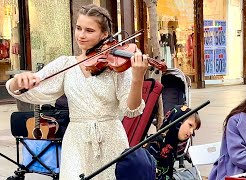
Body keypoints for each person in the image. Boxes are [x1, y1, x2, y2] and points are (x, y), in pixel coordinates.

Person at [5, 4, 148, 179]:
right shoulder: (65, 64)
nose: (81, 35)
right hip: (76, 141)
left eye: (89, 30)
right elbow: (32, 90)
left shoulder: (116, 66)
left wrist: (137, 77)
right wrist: (17, 82)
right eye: (78, 28)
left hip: (111, 140)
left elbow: (131, 110)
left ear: (104, 35)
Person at [144, 105, 201, 180]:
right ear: (177, 120)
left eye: (194, 130)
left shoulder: (172, 144)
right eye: (190, 125)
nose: (191, 132)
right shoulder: (155, 143)